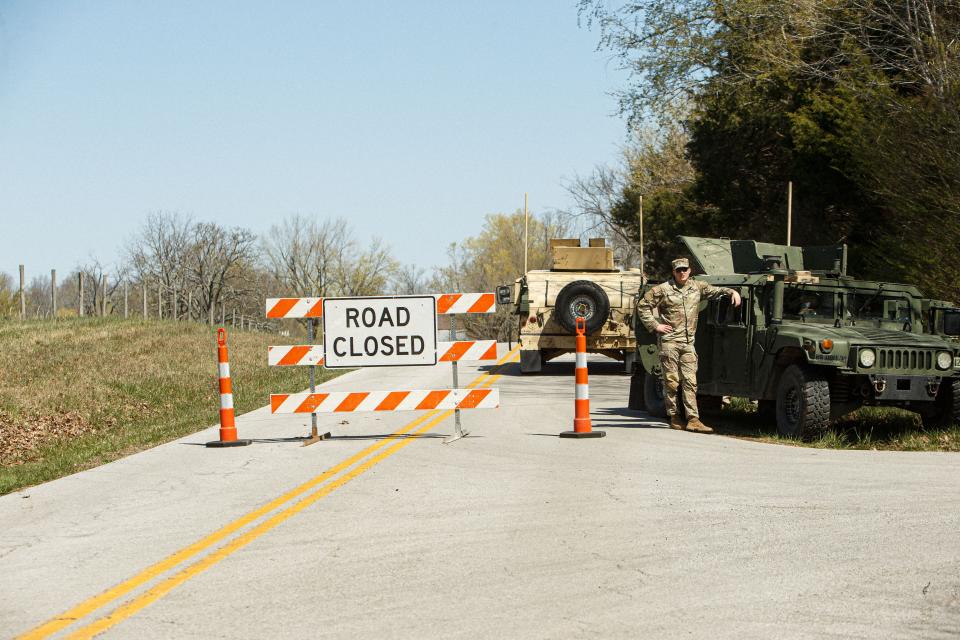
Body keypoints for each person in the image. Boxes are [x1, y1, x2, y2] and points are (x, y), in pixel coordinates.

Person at [637, 258, 741, 433]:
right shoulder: (663, 289)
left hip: (688, 343)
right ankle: (674, 416)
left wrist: (732, 292)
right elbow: (643, 306)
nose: (682, 273)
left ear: (690, 270)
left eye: (684, 269)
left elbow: (716, 291)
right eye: (678, 270)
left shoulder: (697, 287)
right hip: (669, 342)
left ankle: (693, 419)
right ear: (674, 272)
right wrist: (655, 325)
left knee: (690, 381)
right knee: (671, 382)